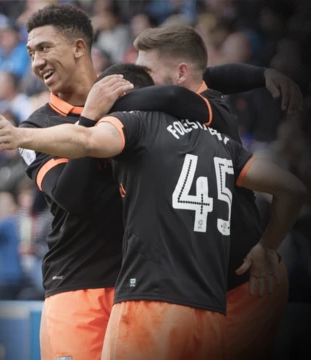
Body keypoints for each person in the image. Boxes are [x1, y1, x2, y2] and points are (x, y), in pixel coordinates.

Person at [16, 4, 302, 359]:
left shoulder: (141, 103)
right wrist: (90, 119)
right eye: (30, 52)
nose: (36, 61)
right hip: (84, 283)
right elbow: (69, 197)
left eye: (44, 48)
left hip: (185, 284)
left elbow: (187, 83)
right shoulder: (40, 125)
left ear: (78, 47)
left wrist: (261, 75)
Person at [133, 24, 297, 359]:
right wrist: (261, 74)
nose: (138, 80)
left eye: (145, 71)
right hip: (203, 291)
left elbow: (174, 92)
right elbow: (206, 76)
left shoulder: (212, 112)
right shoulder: (186, 95)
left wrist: (267, 246)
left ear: (180, 73)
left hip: (246, 285)